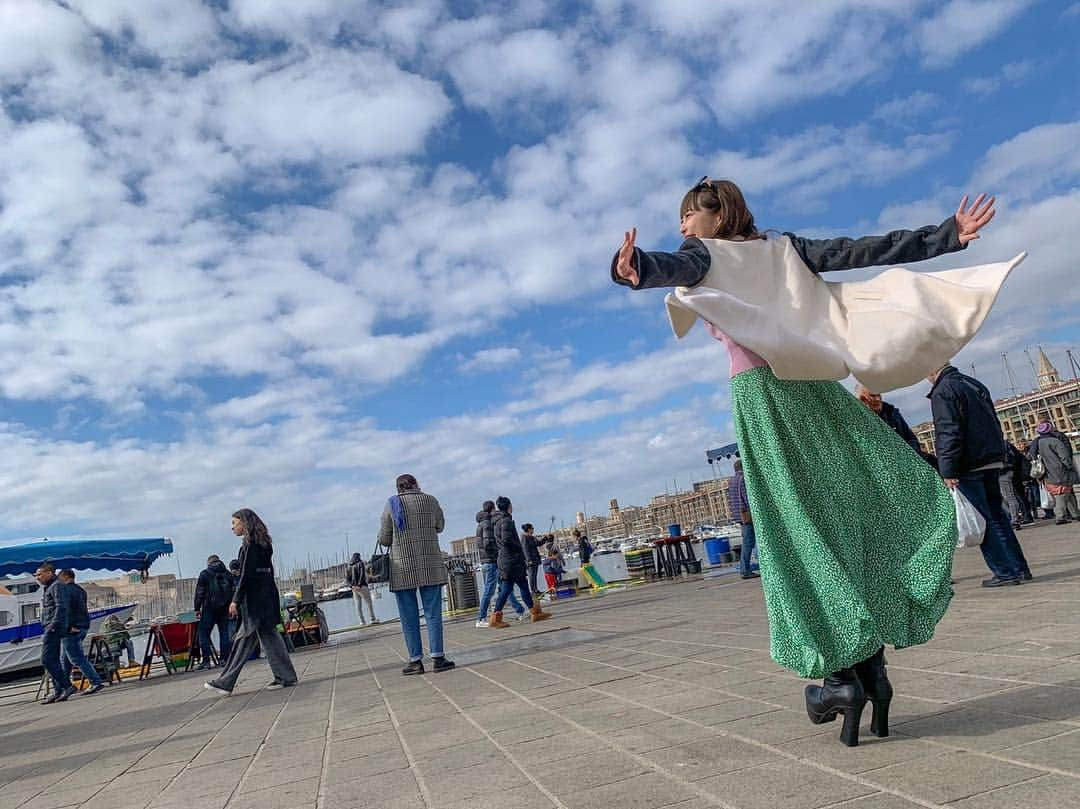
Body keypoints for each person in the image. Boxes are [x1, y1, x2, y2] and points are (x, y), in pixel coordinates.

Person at [613, 177, 1010, 746]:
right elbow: (860, 250)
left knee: (796, 534)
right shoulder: (785, 249)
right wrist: (945, 235)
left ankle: (838, 678)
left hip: (765, 401)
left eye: (687, 215)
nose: (682, 225)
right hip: (817, 391)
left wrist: (634, 270)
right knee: (848, 514)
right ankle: (871, 671)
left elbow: (667, 266)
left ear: (717, 214)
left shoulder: (704, 256)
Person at [928, 363, 1032, 586]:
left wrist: (947, 470)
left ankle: (1005, 572)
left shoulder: (943, 390)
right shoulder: (972, 383)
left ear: (932, 369)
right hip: (991, 459)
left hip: (969, 464)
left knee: (984, 520)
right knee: (998, 516)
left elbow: (949, 431)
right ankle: (1019, 568)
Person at [205, 509, 298, 695]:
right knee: (270, 637)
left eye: (234, 523)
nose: (232, 527)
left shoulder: (249, 545)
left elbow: (247, 574)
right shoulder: (264, 543)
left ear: (244, 523)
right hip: (266, 598)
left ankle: (225, 682)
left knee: (242, 641)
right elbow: (266, 573)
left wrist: (236, 600)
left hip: (255, 601)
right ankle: (286, 676)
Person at [378, 474, 455, 675]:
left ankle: (415, 662)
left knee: (408, 616)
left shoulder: (391, 504)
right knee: (433, 613)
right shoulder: (431, 500)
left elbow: (385, 539)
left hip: (403, 570)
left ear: (398, 488)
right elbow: (440, 526)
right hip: (430, 565)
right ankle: (438, 658)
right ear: (416, 484)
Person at [488, 496, 551, 628]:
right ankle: (497, 617)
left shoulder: (497, 522)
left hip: (506, 560)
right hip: (512, 561)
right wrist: (518, 548)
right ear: (509, 506)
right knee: (509, 589)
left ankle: (533, 612)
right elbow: (507, 540)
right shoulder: (506, 521)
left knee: (518, 587)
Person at [474, 500, 525, 627]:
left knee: (505, 587)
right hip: (491, 561)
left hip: (488, 561)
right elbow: (487, 543)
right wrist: (497, 553)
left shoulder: (482, 523)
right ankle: (481, 618)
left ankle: (520, 610)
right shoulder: (487, 524)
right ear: (492, 509)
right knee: (490, 590)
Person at [56, 569, 105, 694]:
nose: (58, 580)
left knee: (76, 658)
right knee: (65, 658)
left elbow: (66, 610)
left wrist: (67, 626)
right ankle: (63, 686)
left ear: (65, 577)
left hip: (72, 628)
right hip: (83, 626)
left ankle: (95, 681)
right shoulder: (80, 590)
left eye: (59, 577)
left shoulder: (66, 591)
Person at [35, 563, 75, 704]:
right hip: (50, 626)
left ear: (49, 573)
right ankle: (58, 690)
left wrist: (53, 625)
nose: (37, 577)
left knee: (46, 660)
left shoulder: (57, 586)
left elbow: (61, 606)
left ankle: (67, 686)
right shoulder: (49, 588)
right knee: (54, 660)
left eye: (39, 574)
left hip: (53, 628)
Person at [1028, 421, 1080, 524]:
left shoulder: (1037, 443)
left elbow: (1031, 456)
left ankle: (1076, 514)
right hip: (1060, 470)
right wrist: (1069, 466)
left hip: (1047, 472)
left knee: (1067, 493)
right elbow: (1064, 457)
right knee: (1062, 493)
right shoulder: (1055, 441)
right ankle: (1060, 516)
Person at [194, 555, 234, 670]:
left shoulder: (205, 574)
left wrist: (197, 608)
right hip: (225, 608)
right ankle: (224, 659)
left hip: (209, 608)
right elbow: (233, 590)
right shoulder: (227, 574)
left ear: (209, 563)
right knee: (224, 633)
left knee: (204, 633)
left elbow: (199, 592)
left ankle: (206, 661)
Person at [729, 460, 759, 580]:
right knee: (748, 543)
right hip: (747, 516)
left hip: (739, 517)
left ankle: (744, 569)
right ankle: (745, 570)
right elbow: (747, 498)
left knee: (747, 542)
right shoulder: (743, 480)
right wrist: (755, 512)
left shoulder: (731, 481)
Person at [345, 552, 377, 625]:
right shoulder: (360, 563)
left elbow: (347, 579)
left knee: (358, 606)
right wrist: (359, 585)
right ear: (358, 557)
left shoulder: (348, 566)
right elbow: (362, 574)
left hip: (354, 589)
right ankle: (372, 619)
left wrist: (351, 586)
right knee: (369, 603)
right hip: (362, 586)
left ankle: (362, 621)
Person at [521, 523, 545, 596]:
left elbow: (538, 543)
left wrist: (545, 539)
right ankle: (533, 590)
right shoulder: (524, 537)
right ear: (529, 529)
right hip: (531, 560)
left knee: (534, 575)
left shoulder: (531, 537)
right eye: (532, 528)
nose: (533, 530)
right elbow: (525, 549)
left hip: (535, 559)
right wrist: (529, 560)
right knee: (531, 575)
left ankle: (536, 589)